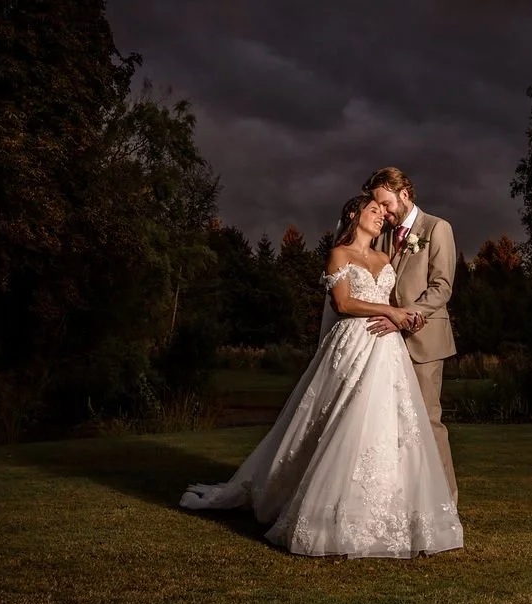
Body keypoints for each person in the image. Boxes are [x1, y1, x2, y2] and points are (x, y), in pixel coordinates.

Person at [180, 195, 463, 559]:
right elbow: (343, 304)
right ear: (353, 215)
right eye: (373, 210)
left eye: (383, 211)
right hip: (353, 343)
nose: (381, 216)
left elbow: (413, 293)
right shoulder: (339, 255)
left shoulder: (384, 257)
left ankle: (394, 509)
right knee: (340, 420)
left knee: (389, 426)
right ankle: (322, 509)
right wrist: (390, 311)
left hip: (388, 351)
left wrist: (403, 316)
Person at [363, 167, 459, 504]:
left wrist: (402, 319)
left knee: (429, 423)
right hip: (387, 344)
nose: (385, 212)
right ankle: (406, 500)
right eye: (379, 206)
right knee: (393, 424)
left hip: (423, 342)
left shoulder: (437, 229)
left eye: (387, 204)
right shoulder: (385, 236)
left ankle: (446, 503)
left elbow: (441, 288)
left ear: (405, 194)